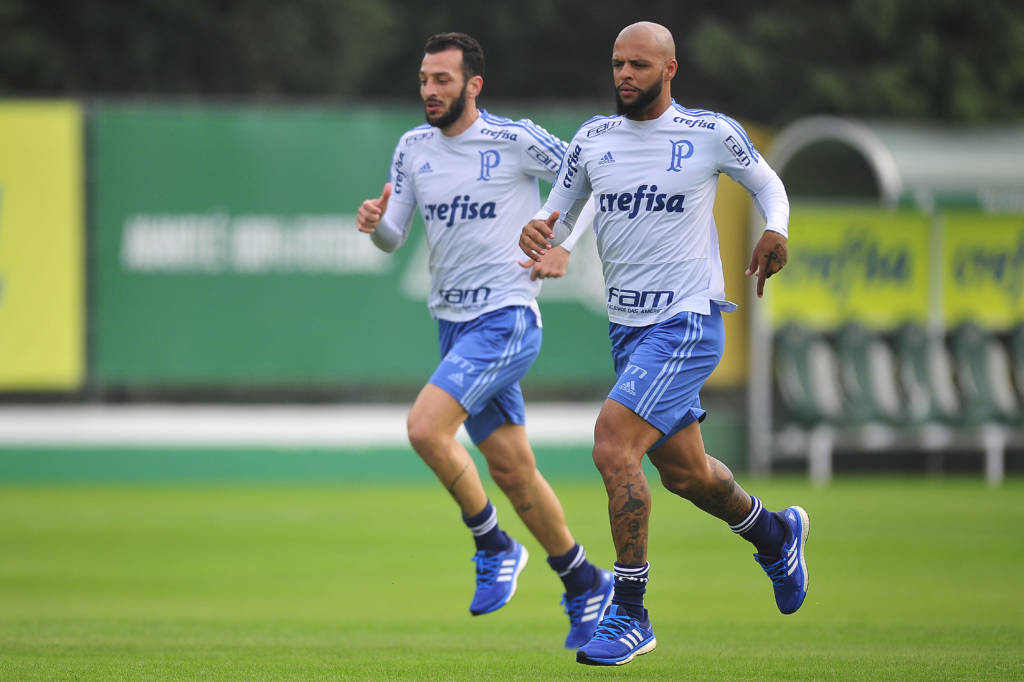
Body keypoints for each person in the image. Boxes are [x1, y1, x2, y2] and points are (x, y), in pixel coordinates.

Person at [520, 21, 809, 666]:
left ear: (669, 70)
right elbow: (559, 212)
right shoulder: (593, 140)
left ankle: (629, 613)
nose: (625, 75)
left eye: (640, 66)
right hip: (629, 330)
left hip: (687, 322)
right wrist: (539, 232)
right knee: (685, 474)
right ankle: (774, 532)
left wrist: (776, 229)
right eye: (618, 64)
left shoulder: (708, 133)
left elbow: (767, 183)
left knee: (613, 444)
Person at [356, 32, 612, 649]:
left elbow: (589, 180)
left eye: (442, 80)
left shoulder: (513, 139)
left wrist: (561, 245)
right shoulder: (413, 148)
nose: (429, 91)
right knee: (512, 470)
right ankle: (583, 579)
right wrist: (374, 224)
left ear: (473, 85)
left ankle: (494, 543)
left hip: (507, 318)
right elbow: (394, 234)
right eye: (423, 79)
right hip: (452, 325)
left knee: (425, 429)